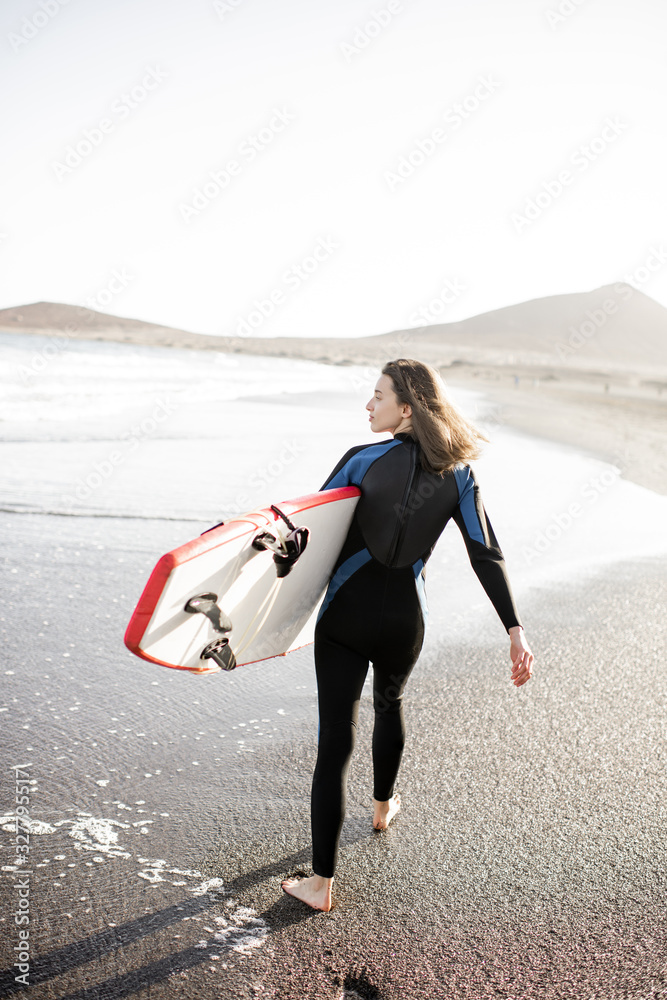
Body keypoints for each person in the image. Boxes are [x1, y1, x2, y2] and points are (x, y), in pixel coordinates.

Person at [281, 359, 533, 912]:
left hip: (345, 617)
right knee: (390, 703)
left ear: (407, 407)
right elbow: (484, 552)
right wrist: (514, 629)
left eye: (377, 396)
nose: (368, 406)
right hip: (405, 623)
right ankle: (382, 806)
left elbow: (308, 536)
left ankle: (320, 884)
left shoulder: (360, 460)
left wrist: (267, 614)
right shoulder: (460, 474)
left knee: (334, 739)